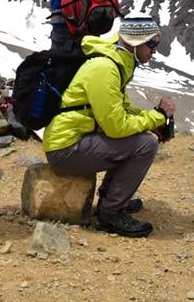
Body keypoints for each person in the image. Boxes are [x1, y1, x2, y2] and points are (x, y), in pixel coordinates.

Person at [42, 15, 174, 238]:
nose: (154, 50)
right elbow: (116, 126)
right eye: (151, 43)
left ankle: (112, 199)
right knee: (145, 144)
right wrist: (156, 118)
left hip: (73, 141)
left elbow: (122, 110)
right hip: (65, 148)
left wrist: (155, 118)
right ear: (133, 42)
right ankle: (111, 213)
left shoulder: (116, 61)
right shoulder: (106, 67)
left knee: (140, 135)